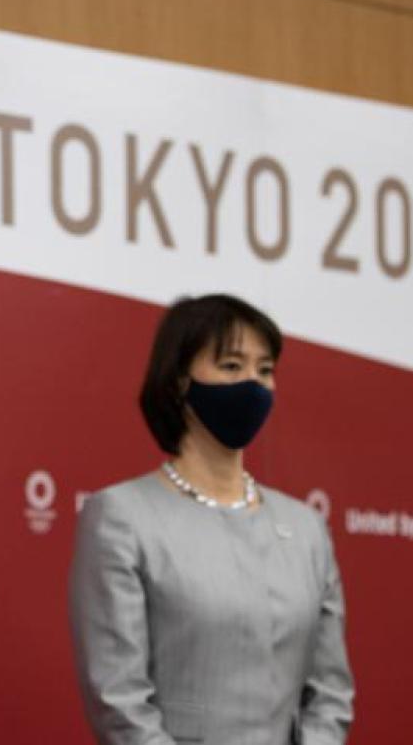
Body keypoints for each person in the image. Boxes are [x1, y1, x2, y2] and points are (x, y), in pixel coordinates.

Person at [68, 294, 354, 745]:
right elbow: (119, 702)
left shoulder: (306, 529)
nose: (252, 384)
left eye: (264, 370)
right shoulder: (122, 517)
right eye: (231, 366)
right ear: (180, 381)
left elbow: (330, 693)